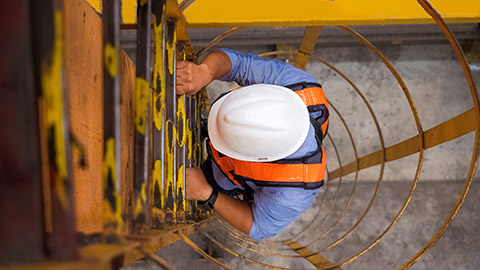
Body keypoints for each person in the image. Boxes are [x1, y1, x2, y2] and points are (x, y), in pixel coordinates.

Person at [176, 49, 329, 241]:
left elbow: (258, 226)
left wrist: (208, 193)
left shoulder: (294, 190)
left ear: (260, 157)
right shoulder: (299, 86)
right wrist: (205, 71)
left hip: (219, 176)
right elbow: (239, 63)